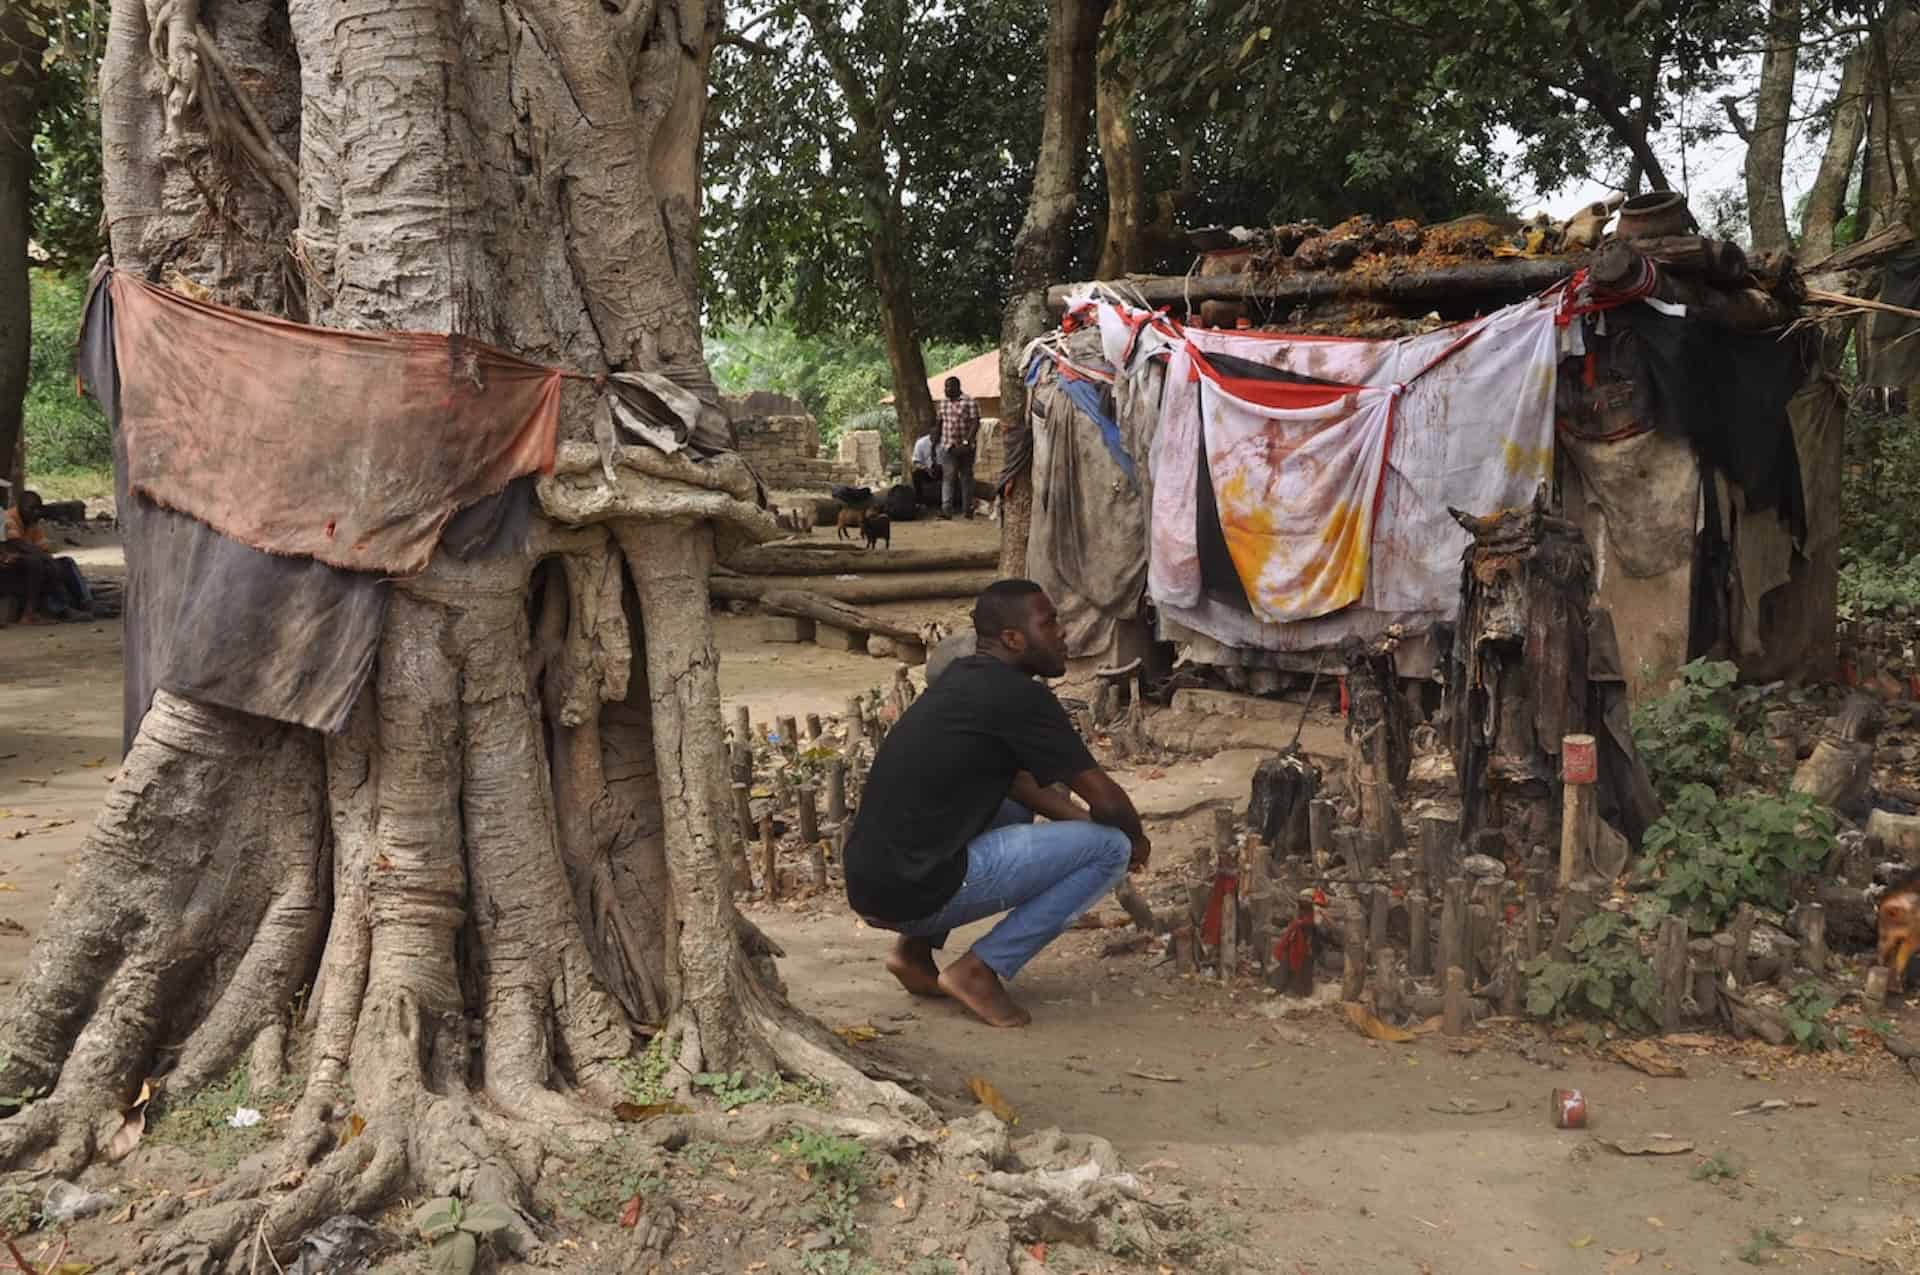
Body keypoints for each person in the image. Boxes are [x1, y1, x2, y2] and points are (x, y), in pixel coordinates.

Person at [842, 579, 1150, 1027]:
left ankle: (914, 953)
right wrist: (1133, 841)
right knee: (1111, 852)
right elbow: (1106, 798)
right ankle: (979, 970)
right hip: (914, 893)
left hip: (872, 883)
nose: (1063, 632)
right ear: (1013, 639)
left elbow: (1021, 788)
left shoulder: (963, 681)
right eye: (1050, 623)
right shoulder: (1022, 696)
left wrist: (1084, 827)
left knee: (1012, 808)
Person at [4, 492, 90, 620]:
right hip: (11, 566)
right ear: (20, 506)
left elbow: (43, 547)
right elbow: (18, 545)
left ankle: (87, 602)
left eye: (38, 509)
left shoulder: (32, 522)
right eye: (31, 509)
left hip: (26, 561)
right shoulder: (8, 519)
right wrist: (45, 557)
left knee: (66, 562)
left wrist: (47, 555)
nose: (36, 512)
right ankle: (61, 610)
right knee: (43, 566)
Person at [934, 375, 980, 519]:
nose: (946, 390)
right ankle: (946, 510)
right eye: (945, 387)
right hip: (948, 446)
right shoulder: (943, 403)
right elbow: (939, 423)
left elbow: (975, 422)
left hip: (965, 447)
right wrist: (934, 443)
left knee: (966, 477)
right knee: (948, 478)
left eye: (949, 387)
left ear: (957, 387)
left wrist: (967, 441)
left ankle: (967, 509)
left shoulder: (969, 402)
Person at [909, 431, 941, 508]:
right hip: (926, 469)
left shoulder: (945, 441)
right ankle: (919, 502)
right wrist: (926, 468)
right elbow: (916, 461)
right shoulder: (921, 443)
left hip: (942, 469)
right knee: (916, 474)